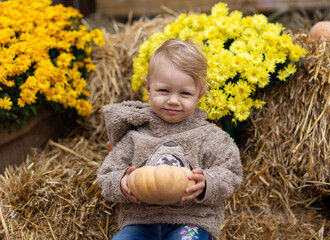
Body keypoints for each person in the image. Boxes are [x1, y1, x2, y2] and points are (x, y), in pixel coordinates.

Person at [97, 38, 243, 240]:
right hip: (140, 223)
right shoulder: (135, 135)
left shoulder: (210, 137)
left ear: (199, 95)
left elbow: (231, 173)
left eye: (185, 93)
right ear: (148, 88)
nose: (173, 100)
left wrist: (206, 183)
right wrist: (121, 182)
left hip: (191, 222)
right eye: (164, 91)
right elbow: (106, 175)